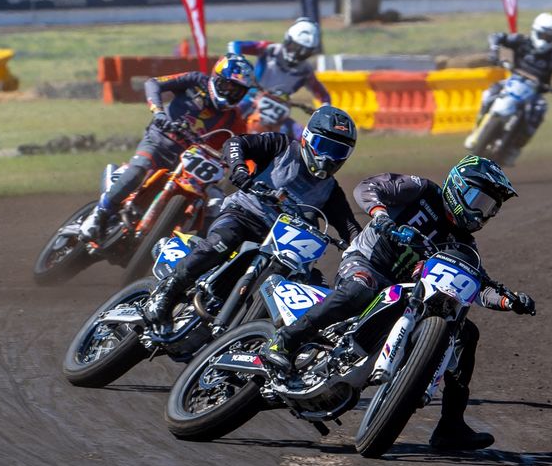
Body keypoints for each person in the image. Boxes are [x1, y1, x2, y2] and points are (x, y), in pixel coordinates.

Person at [261, 155, 537, 451]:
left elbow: (475, 289)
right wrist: (380, 215)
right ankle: (285, 341)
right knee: (360, 290)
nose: (482, 213)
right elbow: (367, 188)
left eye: (490, 207)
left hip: (406, 294)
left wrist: (508, 301)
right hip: (367, 262)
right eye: (479, 200)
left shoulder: (465, 246)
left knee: (467, 334)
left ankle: (450, 425)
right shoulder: (421, 190)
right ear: (459, 186)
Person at [141, 106, 362, 326]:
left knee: (311, 280)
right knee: (222, 241)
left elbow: (351, 228)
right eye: (324, 146)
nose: (328, 157)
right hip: (243, 215)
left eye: (338, 152)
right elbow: (236, 143)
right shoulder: (281, 145)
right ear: (307, 137)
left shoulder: (331, 191)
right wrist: (239, 169)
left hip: (281, 245)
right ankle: (167, 291)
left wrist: (361, 251)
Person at [78, 54, 255, 241]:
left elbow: (242, 147)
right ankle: (100, 213)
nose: (230, 93)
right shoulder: (195, 80)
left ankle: (197, 251)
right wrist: (159, 113)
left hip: (193, 165)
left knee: (216, 203)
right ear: (217, 78)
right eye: (228, 86)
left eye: (237, 91)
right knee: (139, 169)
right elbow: (153, 84)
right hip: (159, 141)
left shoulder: (235, 119)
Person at [464, 12, 552, 165]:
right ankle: (477, 129)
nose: (545, 41)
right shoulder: (521, 41)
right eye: (543, 35)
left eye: (549, 38)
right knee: (489, 93)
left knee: (539, 110)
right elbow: (496, 36)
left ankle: (515, 148)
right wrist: (494, 50)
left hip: (535, 92)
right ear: (535, 31)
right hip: (513, 81)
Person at [227, 17, 332, 106]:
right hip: (250, 98)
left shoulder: (305, 71)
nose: (297, 54)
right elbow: (235, 45)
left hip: (278, 111)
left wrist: (325, 107)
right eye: (295, 47)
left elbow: (323, 96)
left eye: (305, 52)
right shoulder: (270, 49)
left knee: (295, 130)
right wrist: (236, 61)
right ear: (288, 39)